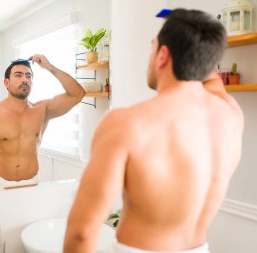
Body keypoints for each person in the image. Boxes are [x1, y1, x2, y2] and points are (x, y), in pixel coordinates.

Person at [64, 9, 244, 253]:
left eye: (153, 47)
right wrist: (193, 36)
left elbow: (81, 233)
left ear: (163, 56)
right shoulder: (230, 115)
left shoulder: (125, 124)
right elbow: (209, 75)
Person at [0, 54, 85, 193]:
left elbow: (78, 94)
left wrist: (50, 67)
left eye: (28, 76)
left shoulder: (42, 110)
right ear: (6, 83)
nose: (25, 80)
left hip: (32, 185)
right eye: (18, 75)